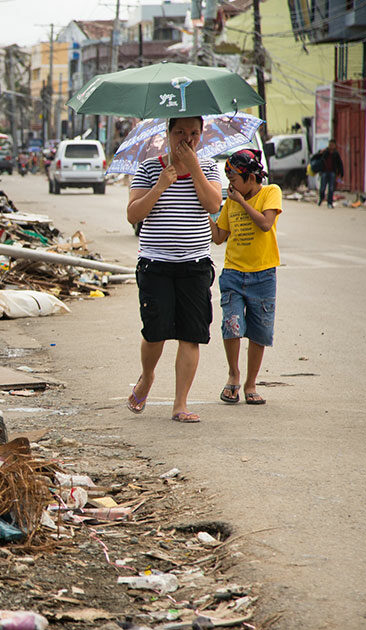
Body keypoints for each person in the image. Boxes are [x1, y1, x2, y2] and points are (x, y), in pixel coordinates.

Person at [125, 116, 222, 423]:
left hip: (195, 265)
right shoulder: (149, 168)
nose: (187, 139)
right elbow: (133, 214)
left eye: (194, 133)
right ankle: (147, 376)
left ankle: (180, 404)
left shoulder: (206, 167)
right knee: (156, 333)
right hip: (156, 264)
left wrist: (193, 168)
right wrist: (161, 184)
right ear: (167, 134)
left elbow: (213, 205)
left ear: (201, 135)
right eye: (180, 132)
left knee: (191, 335)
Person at [210, 149, 282, 406]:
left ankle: (251, 383)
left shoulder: (270, 192)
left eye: (235, 180)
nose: (231, 185)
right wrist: (211, 210)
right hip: (233, 273)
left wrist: (240, 201)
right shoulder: (231, 200)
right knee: (231, 325)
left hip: (263, 275)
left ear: (251, 177)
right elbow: (219, 238)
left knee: (259, 332)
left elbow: (265, 224)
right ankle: (233, 375)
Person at [312, 140, 343, 208]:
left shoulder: (336, 154)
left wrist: (341, 174)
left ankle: (329, 203)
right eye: (330, 144)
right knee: (322, 188)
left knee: (331, 188)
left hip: (332, 173)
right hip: (324, 172)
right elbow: (315, 157)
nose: (331, 146)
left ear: (335, 145)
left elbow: (340, 164)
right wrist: (319, 153)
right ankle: (321, 198)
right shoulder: (325, 152)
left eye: (332, 144)